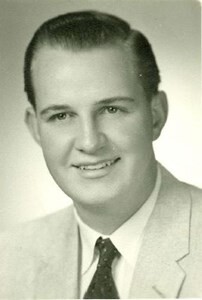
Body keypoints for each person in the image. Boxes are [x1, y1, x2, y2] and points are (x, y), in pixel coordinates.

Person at [0, 10, 201, 299]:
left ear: (156, 115)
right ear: (35, 129)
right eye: (61, 115)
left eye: (111, 109)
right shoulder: (7, 260)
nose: (90, 142)